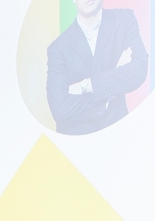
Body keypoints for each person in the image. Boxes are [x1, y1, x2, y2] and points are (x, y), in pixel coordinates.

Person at [46, 0, 149, 135]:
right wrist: (108, 95)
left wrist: (86, 86)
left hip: (118, 134)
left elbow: (139, 69)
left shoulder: (123, 20)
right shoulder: (58, 48)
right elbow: (59, 108)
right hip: (77, 140)